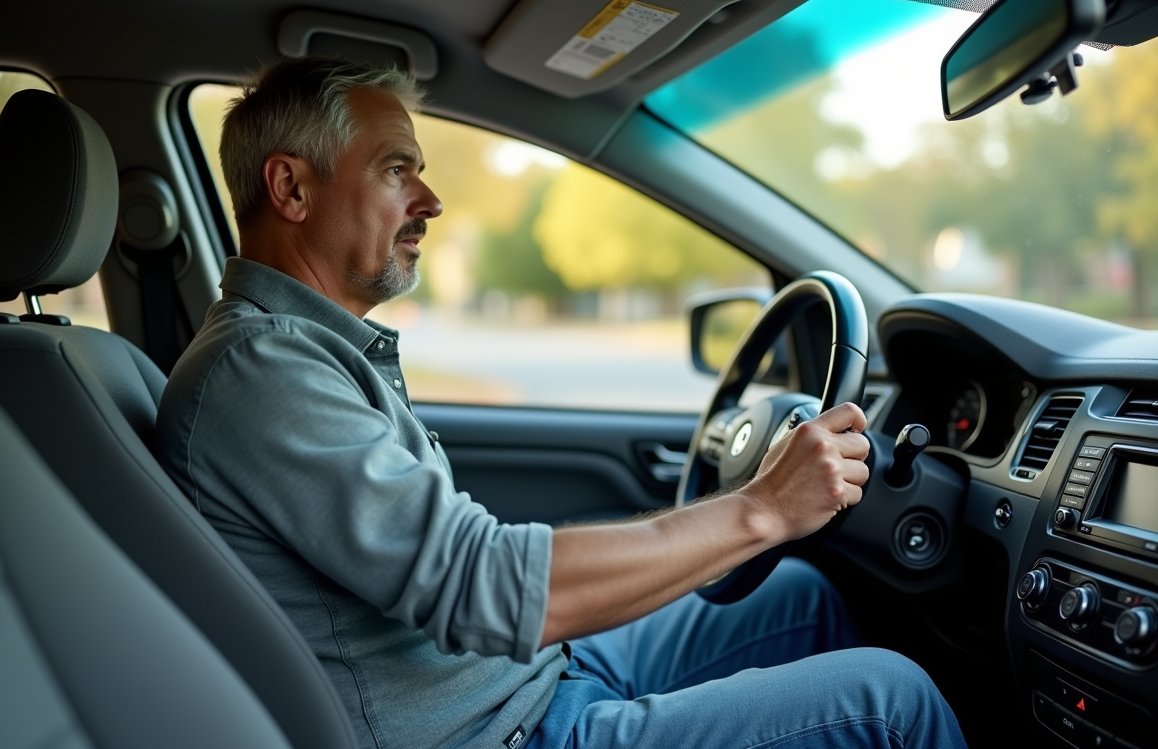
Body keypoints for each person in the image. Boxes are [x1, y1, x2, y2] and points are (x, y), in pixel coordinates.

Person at [156, 56, 965, 749]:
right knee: (890, 702)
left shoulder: (305, 354)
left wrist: (752, 511)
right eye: (397, 168)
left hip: (522, 680)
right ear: (291, 187)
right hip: (501, 731)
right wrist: (762, 509)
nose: (431, 200)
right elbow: (480, 584)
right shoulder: (263, 371)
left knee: (802, 599)